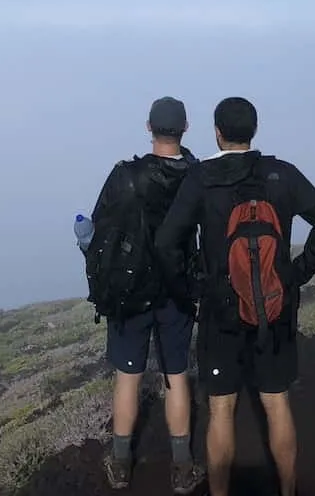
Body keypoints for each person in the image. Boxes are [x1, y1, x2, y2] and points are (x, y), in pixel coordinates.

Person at [154, 96, 315, 496]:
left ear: (217, 133)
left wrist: (191, 290)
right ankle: (288, 490)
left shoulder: (200, 179)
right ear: (253, 131)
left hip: (220, 311)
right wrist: (294, 275)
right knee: (276, 403)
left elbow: (166, 242)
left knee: (221, 408)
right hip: (275, 310)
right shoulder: (282, 174)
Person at [84, 96, 207, 494]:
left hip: (130, 292)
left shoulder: (125, 176)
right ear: (185, 128)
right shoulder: (198, 176)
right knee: (176, 376)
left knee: (128, 378)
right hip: (178, 291)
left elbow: (100, 231)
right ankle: (183, 468)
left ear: (148, 127)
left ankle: (121, 465)